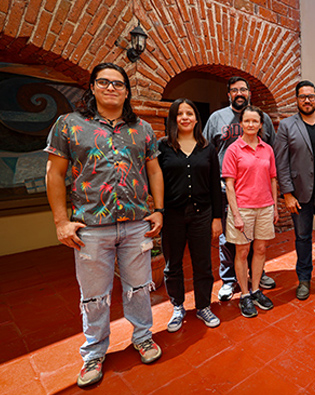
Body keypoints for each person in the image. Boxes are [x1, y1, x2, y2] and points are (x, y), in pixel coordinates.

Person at [45, 63, 163, 387]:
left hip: (137, 223)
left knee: (139, 287)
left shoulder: (142, 129)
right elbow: (54, 173)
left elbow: (153, 170)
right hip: (90, 227)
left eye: (118, 84)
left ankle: (143, 337)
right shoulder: (69, 125)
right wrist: (60, 222)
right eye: (104, 82)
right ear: (93, 88)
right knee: (94, 295)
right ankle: (94, 353)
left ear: (126, 91)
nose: (111, 88)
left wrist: (159, 209)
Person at [203, 76, 276, 302]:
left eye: (243, 89)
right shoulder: (217, 118)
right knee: (229, 240)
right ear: (229, 94)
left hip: (258, 192)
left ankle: (257, 276)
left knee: (257, 240)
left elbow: (270, 150)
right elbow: (206, 149)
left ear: (249, 93)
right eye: (234, 90)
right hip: (227, 189)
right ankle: (228, 280)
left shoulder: (263, 120)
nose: (239, 93)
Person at [158, 98, 223, 332]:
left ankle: (204, 305)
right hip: (172, 216)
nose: (185, 117)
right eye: (180, 113)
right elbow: (155, 182)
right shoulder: (162, 147)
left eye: (190, 113)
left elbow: (215, 184)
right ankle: (177, 306)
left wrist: (217, 218)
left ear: (197, 118)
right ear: (173, 118)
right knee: (172, 265)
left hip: (202, 215)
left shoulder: (207, 148)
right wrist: (158, 211)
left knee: (203, 263)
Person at [274, 80, 315, 300]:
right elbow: (280, 162)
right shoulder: (286, 125)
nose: (307, 100)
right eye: (302, 96)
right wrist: (288, 194)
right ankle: (303, 279)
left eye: (311, 96)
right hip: (299, 194)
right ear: (297, 99)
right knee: (302, 237)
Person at [222, 105, 279, 318]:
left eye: (255, 121)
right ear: (241, 124)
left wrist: (273, 206)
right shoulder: (233, 150)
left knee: (261, 250)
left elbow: (273, 178)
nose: (251, 124)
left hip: (264, 207)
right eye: (247, 121)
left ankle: (256, 290)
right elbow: (229, 184)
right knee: (242, 252)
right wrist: (235, 214)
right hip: (243, 208)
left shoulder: (267, 149)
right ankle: (244, 294)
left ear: (261, 124)